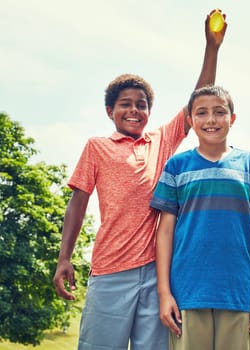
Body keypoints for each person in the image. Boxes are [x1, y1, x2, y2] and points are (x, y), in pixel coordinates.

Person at [52, 10, 227, 350]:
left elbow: (197, 100)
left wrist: (212, 48)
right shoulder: (97, 147)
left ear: (150, 110)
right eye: (125, 104)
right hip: (110, 271)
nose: (134, 110)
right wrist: (64, 258)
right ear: (110, 112)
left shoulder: (161, 141)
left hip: (158, 275)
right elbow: (77, 204)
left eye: (142, 104)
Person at [150, 85, 250, 350]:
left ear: (232, 118)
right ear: (190, 120)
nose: (211, 119)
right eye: (201, 113)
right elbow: (164, 233)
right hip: (186, 293)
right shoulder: (176, 166)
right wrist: (164, 294)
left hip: (238, 292)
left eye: (219, 112)